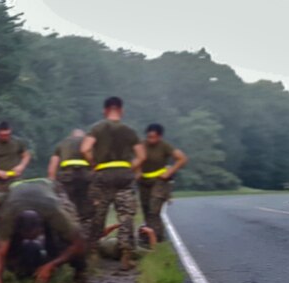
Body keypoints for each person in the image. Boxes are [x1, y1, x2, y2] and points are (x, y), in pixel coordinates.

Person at [0, 179, 86, 283]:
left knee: (73, 236)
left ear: (41, 228)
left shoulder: (54, 212)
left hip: (51, 192)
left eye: (34, 236)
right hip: (17, 200)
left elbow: (78, 243)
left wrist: (51, 265)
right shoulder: (8, 215)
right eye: (26, 236)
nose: (30, 239)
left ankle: (80, 272)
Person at [80, 96, 146, 269]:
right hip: (124, 175)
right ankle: (126, 254)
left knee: (97, 213)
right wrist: (129, 168)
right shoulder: (129, 131)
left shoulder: (97, 128)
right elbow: (142, 156)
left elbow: (84, 149)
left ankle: (92, 254)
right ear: (121, 111)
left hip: (103, 175)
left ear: (105, 110)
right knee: (126, 215)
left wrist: (94, 164)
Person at [138, 123, 189, 241]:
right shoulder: (141, 145)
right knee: (145, 208)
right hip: (144, 181)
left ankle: (157, 236)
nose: (151, 139)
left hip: (160, 181)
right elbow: (136, 159)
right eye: (149, 136)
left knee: (153, 209)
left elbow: (182, 159)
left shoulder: (164, 146)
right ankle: (150, 234)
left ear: (159, 136)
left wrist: (169, 172)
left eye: (154, 137)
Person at [48, 129, 94, 239]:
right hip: (85, 178)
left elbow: (52, 167)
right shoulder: (88, 143)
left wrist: (51, 183)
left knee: (67, 208)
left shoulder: (61, 144)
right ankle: (87, 240)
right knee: (87, 210)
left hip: (66, 178)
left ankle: (69, 237)